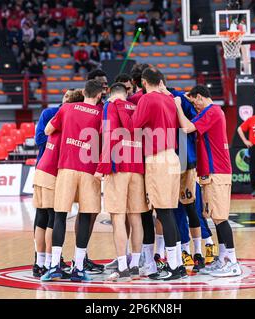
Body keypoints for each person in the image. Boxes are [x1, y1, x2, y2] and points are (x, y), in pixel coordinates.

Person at [120, 67, 183, 280]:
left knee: (164, 213)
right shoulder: (169, 99)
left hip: (158, 159)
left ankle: (174, 267)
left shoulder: (147, 99)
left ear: (144, 82)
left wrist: (120, 109)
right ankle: (177, 264)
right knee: (169, 213)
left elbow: (133, 126)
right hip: (173, 157)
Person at [175, 84, 241, 277]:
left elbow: (186, 127)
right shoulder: (209, 112)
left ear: (202, 97)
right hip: (210, 174)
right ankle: (222, 259)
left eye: (195, 102)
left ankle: (233, 262)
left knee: (221, 219)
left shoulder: (212, 111)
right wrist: (187, 98)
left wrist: (179, 105)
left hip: (217, 173)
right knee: (214, 217)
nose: (195, 107)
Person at [42, 80, 104, 282]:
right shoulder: (102, 113)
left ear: (84, 92)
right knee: (85, 217)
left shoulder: (66, 108)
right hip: (90, 170)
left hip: (67, 167)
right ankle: (78, 268)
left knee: (60, 216)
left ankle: (54, 267)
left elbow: (47, 131)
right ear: (99, 96)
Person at [94, 83, 148, 282]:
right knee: (136, 218)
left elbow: (109, 136)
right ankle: (134, 265)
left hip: (119, 166)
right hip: (137, 167)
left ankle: (122, 267)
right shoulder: (136, 107)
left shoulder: (110, 105)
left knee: (118, 217)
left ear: (110, 94)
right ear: (127, 94)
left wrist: (102, 167)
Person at [32, 89, 84, 279]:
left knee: (42, 219)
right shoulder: (68, 122)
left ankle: (40, 263)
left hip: (42, 169)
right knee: (53, 218)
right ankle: (46, 264)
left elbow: (45, 134)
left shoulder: (55, 121)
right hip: (52, 172)